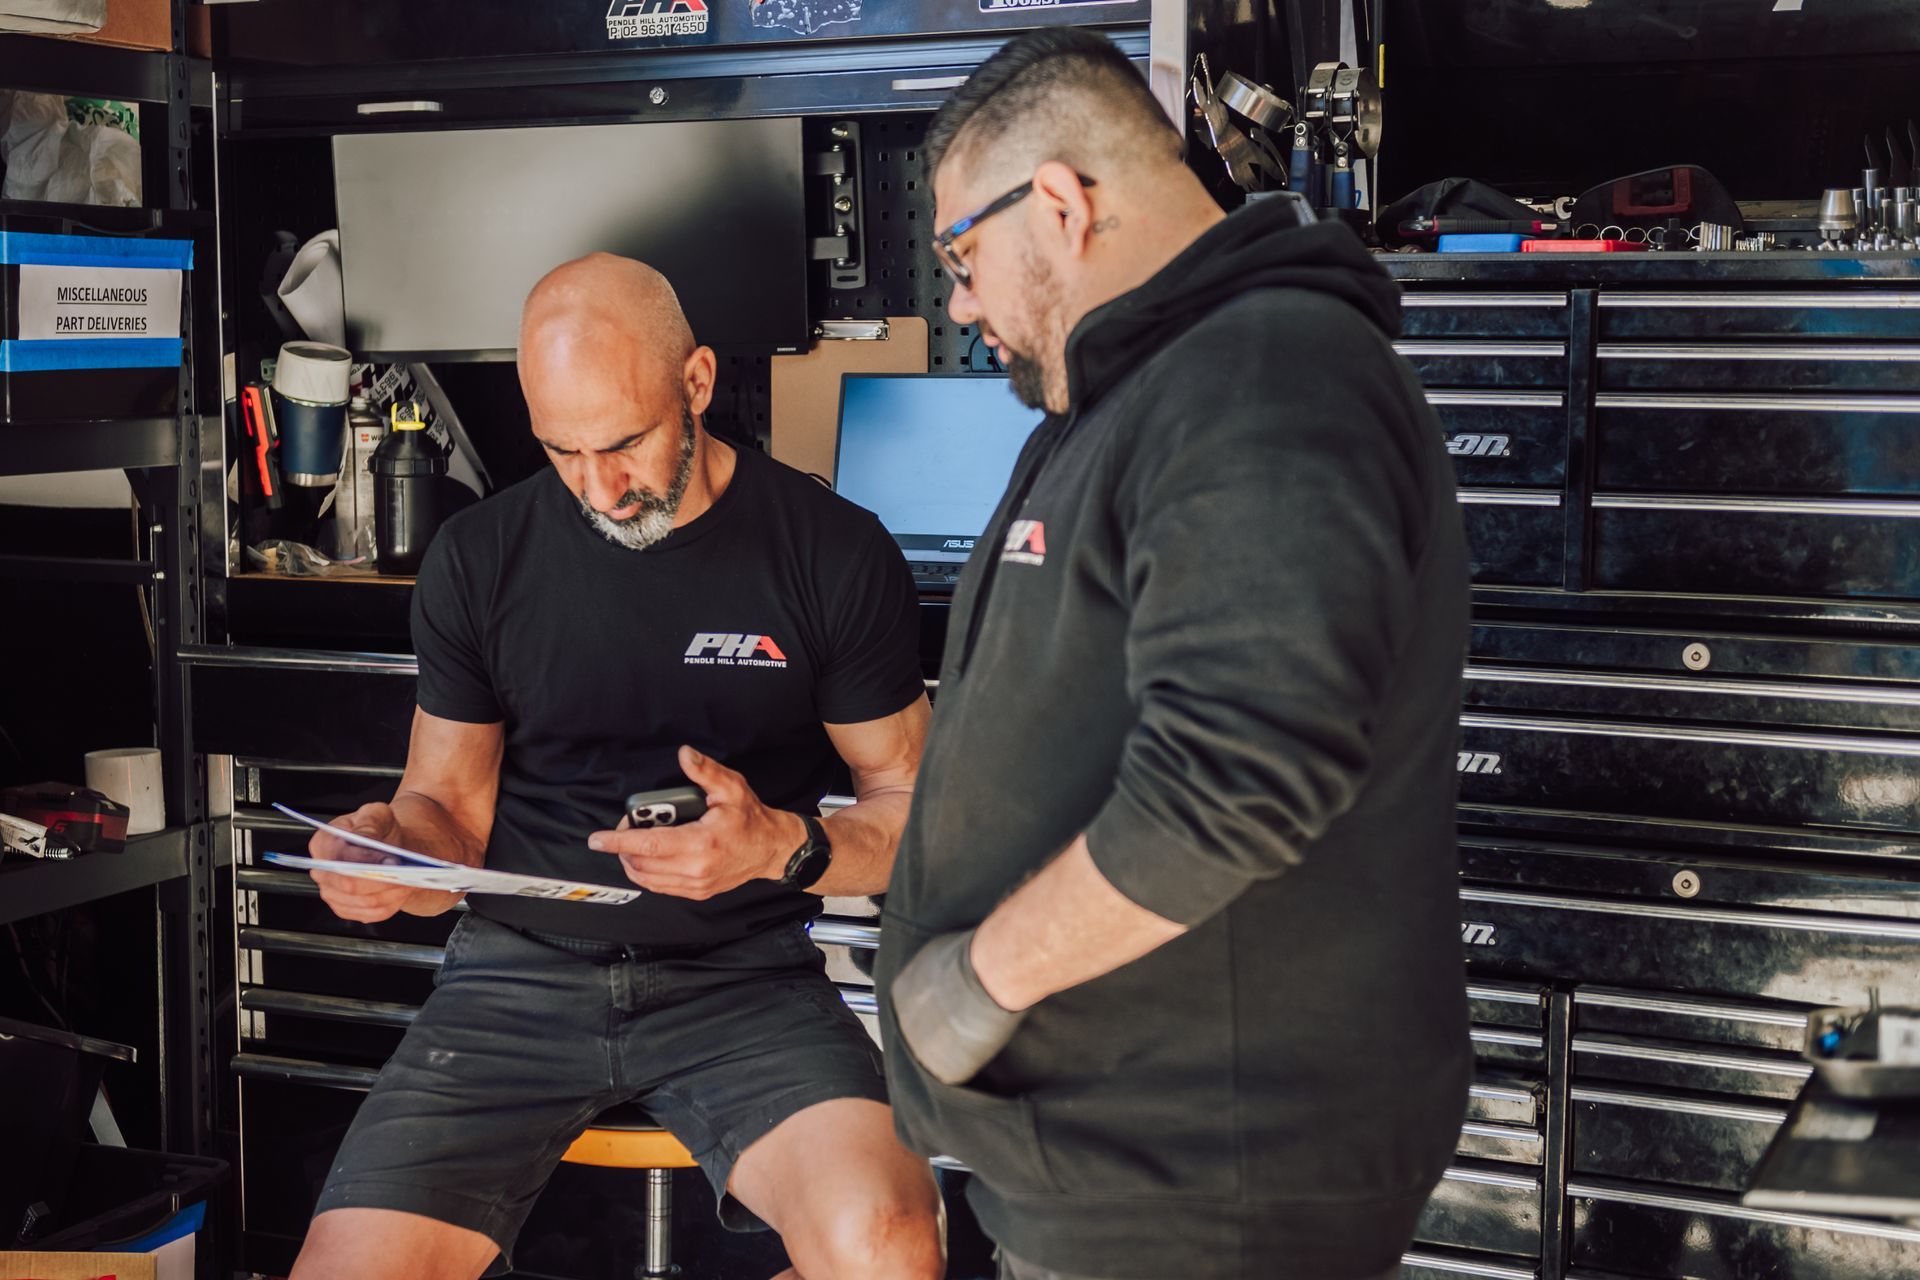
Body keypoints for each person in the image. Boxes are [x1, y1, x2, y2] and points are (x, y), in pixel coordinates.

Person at [875, 29, 1473, 1280]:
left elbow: (1237, 776)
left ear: (1059, 201)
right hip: (1121, 1162)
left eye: (962, 260)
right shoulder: (1138, 388)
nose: (964, 304)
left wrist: (973, 984)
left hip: (1205, 1184)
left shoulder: (1266, 374)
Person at [289, 253, 944, 1280]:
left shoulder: (832, 551)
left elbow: (918, 822)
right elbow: (446, 814)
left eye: (625, 443)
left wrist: (779, 843)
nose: (600, 485)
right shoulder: (478, 559)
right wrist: (392, 851)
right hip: (513, 981)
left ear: (696, 383)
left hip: (743, 979)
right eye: (562, 450)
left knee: (891, 1249)